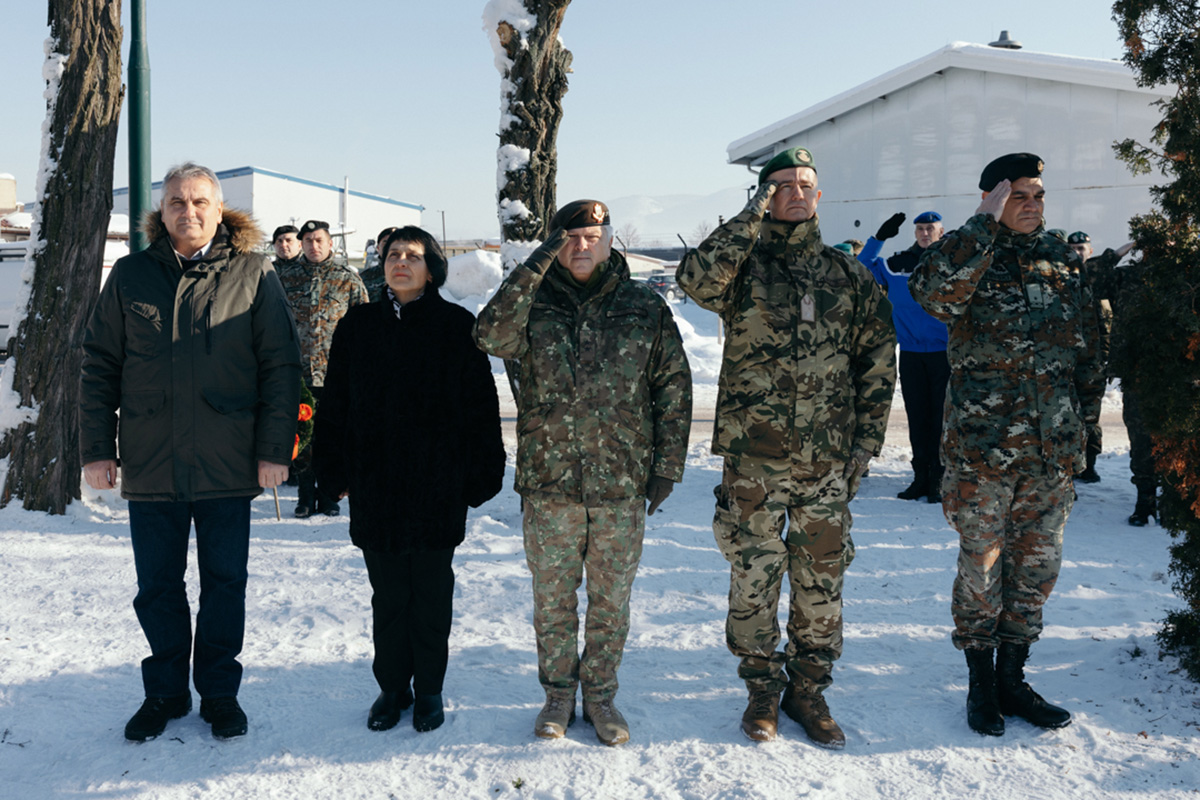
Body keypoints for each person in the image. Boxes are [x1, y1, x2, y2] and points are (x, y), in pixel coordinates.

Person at [676, 146, 896, 748]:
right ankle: (760, 691)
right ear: (764, 195)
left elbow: (876, 363)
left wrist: (863, 447)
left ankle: (809, 691)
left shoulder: (847, 275)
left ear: (820, 196)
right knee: (754, 577)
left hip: (826, 462)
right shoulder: (742, 266)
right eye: (781, 185)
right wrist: (751, 218)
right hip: (755, 461)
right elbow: (694, 280)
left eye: (806, 184)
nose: (796, 192)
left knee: (821, 581)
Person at [80, 162, 301, 741]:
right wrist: (98, 449)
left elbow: (281, 367)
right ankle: (165, 692)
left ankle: (220, 694)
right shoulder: (130, 275)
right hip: (152, 462)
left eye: (200, 201)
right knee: (157, 585)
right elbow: (100, 366)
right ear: (163, 211)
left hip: (228, 461)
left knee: (225, 582)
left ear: (219, 209)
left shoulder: (254, 274)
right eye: (177, 201)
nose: (189, 211)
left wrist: (275, 449)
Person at [474, 199, 692, 747]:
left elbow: (673, 388)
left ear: (610, 239)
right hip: (551, 485)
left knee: (611, 599)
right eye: (570, 236)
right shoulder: (532, 304)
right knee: (553, 599)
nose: (582, 245)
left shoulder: (643, 306)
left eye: (593, 235)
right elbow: (489, 336)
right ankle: (557, 695)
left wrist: (666, 466)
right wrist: (536, 265)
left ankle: (600, 696)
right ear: (554, 244)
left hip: (621, 484)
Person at [911, 153, 1104, 737]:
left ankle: (1013, 678)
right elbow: (933, 295)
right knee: (982, 568)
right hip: (983, 454)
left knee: (1036, 571)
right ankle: (980, 682)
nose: (1034, 204)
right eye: (1020, 194)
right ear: (995, 198)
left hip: (1051, 455)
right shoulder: (970, 257)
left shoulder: (1062, 264)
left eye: (1039, 194)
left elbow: (1086, 353)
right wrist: (979, 224)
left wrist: (1083, 430)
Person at [315, 226, 504, 733]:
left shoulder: (455, 325)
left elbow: (481, 408)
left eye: (414, 256)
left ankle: (431, 690)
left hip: (437, 485)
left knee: (432, 593)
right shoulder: (356, 325)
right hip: (375, 483)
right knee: (389, 595)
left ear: (432, 268)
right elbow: (335, 403)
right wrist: (330, 467)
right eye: (393, 254)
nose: (402, 262)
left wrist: (482, 471)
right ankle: (392, 687)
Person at [277, 219, 369, 518]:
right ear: (300, 244)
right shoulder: (285, 278)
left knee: (333, 435)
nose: (313, 246)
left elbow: (363, 326)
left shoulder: (348, 279)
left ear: (330, 244)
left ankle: (329, 494)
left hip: (336, 373)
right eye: (307, 241)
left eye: (319, 240)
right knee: (303, 436)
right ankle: (304, 495)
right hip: (298, 372)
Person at [859, 211, 950, 502]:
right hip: (910, 353)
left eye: (930, 228)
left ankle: (939, 479)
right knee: (917, 417)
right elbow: (859, 267)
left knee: (941, 419)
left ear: (941, 231)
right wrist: (879, 237)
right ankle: (919, 477)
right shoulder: (897, 264)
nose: (925, 233)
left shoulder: (950, 262)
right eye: (920, 229)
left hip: (943, 354)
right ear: (915, 233)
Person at [1083, 237, 1153, 523]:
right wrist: (1122, 250)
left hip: (1178, 373)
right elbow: (1089, 275)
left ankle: (1177, 505)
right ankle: (1145, 502)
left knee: (1177, 441)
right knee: (1141, 439)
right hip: (1138, 370)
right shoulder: (1128, 277)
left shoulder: (1185, 279)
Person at [1067, 232, 1136, 485]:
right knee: (1066, 416)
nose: (1077, 252)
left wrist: (1117, 254)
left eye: (1082, 248)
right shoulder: (1061, 280)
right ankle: (1069, 466)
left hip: (1093, 362)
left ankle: (1089, 465)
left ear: (1090, 250)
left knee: (1090, 418)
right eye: (1072, 248)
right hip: (1065, 362)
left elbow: (1109, 329)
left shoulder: (1101, 280)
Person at [357, 225, 397, 301]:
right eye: (385, 243)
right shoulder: (365, 277)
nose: (390, 247)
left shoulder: (412, 275)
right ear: (378, 248)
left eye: (394, 243)